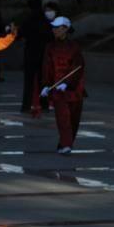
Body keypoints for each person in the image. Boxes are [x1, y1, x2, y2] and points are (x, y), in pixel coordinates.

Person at [40, 17, 85, 156]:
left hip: (74, 90)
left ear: (65, 29)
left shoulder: (75, 47)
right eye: (53, 28)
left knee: (73, 120)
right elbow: (47, 67)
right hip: (58, 91)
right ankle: (66, 145)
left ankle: (64, 142)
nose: (54, 30)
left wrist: (67, 83)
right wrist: (46, 85)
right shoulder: (50, 47)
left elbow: (78, 67)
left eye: (57, 27)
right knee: (62, 118)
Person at [18, 0, 53, 114]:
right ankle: (44, 104)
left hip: (30, 52)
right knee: (42, 80)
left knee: (28, 81)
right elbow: (50, 36)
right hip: (42, 52)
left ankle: (26, 105)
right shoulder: (45, 19)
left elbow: (20, 34)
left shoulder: (27, 19)